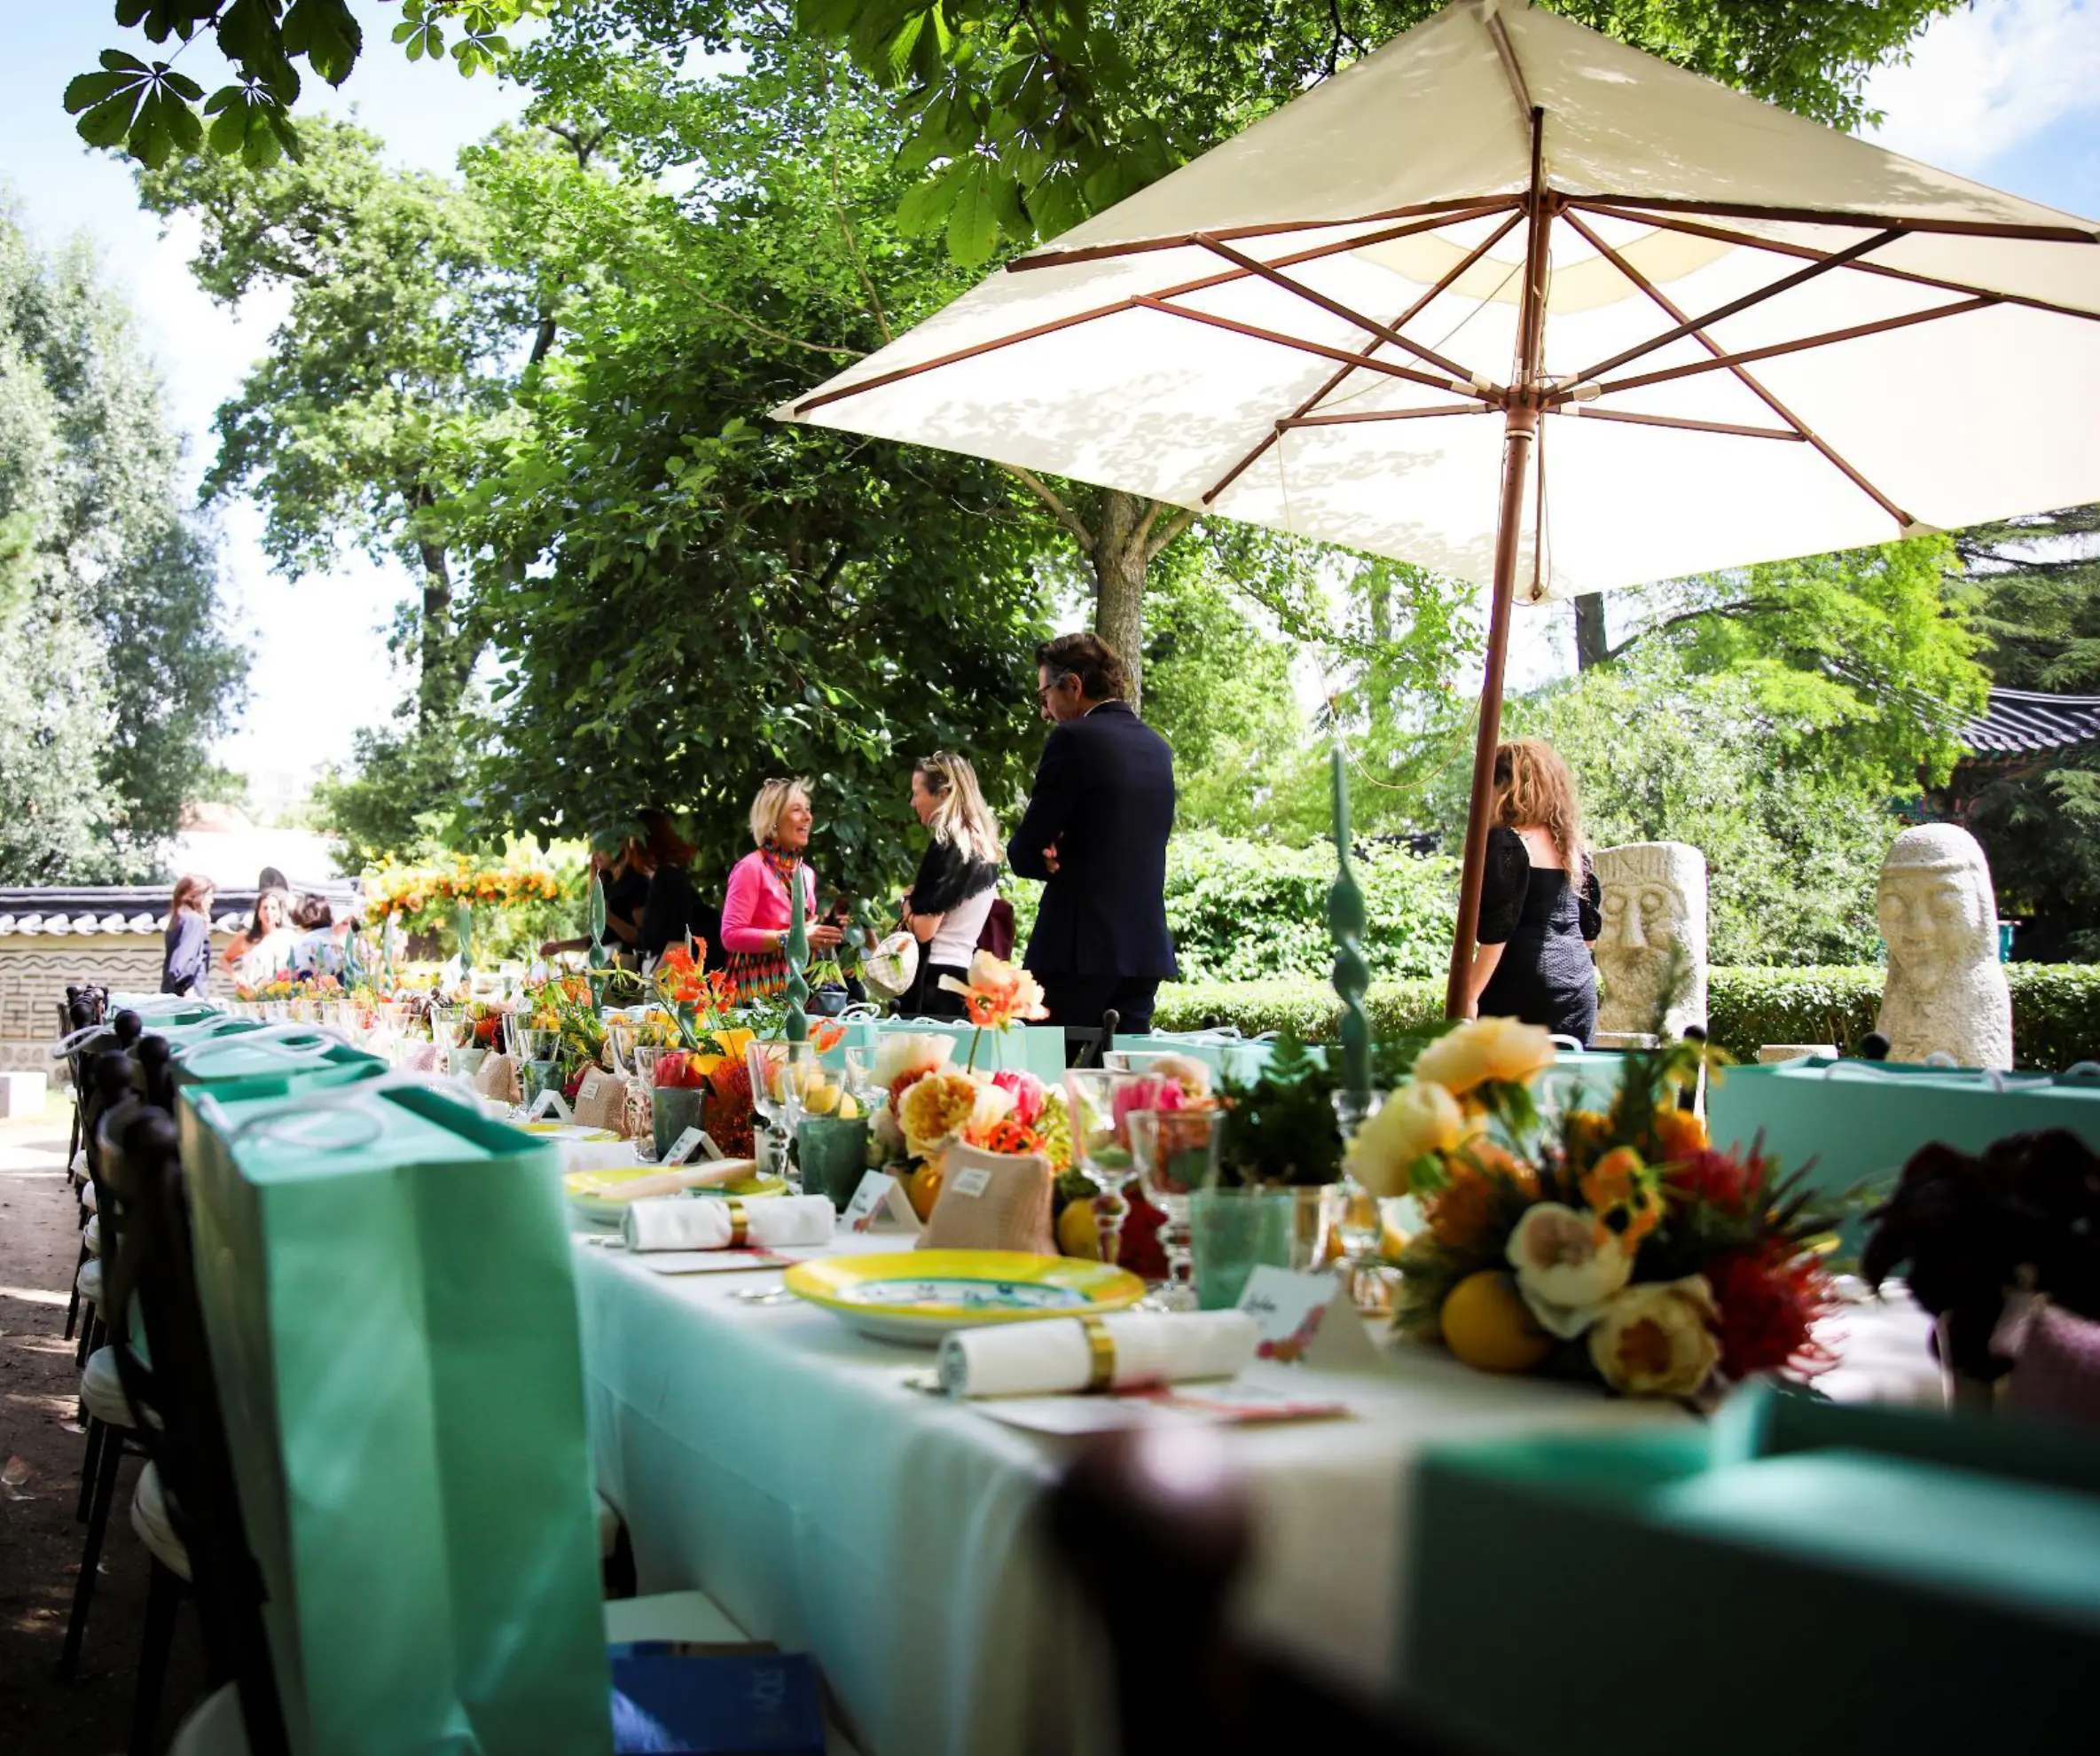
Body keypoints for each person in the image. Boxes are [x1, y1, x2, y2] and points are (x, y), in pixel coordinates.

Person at [1008, 632, 1177, 1040]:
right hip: (1144, 950)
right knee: (1121, 1085)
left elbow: (1026, 848)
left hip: (1078, 950)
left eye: (1045, 695)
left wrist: (1042, 856)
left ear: (1074, 686)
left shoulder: (1073, 740)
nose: (1045, 712)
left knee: (1050, 1083)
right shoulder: (1158, 749)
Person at [1460, 738, 1602, 1044]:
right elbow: (1589, 933)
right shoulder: (1574, 849)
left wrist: (1469, 995)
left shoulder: (1507, 843)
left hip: (1520, 988)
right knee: (1564, 1086)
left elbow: (1497, 932)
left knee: (1500, 1086)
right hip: (1578, 990)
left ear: (1504, 787)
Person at [897, 753, 1005, 1018]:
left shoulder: (948, 846)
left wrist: (906, 903)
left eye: (916, 793)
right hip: (963, 979)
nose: (912, 803)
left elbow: (924, 930)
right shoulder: (984, 848)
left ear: (944, 794)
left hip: (933, 982)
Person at [720, 779, 842, 1000]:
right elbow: (730, 936)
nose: (808, 817)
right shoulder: (751, 867)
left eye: (808, 809)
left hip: (798, 993)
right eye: (797, 810)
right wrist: (791, 938)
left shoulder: (806, 874)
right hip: (754, 994)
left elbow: (803, 935)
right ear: (773, 819)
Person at [541, 835, 654, 965]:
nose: (595, 855)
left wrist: (608, 918)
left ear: (619, 847)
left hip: (625, 967)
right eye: (593, 849)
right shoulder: (608, 884)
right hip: (606, 963)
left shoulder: (635, 882)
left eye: (600, 848)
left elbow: (640, 937)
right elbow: (600, 938)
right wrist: (559, 947)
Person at [637, 810, 709, 967]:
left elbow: (678, 940)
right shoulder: (661, 877)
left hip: (666, 968)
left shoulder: (667, 877)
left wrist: (655, 979)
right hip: (659, 964)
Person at [221, 887, 295, 980]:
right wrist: (236, 977)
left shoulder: (289, 938)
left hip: (280, 992)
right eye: (265, 908)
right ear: (258, 913)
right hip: (250, 991)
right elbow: (225, 959)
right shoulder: (246, 937)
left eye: (273, 908)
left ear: (280, 913)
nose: (268, 912)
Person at [161, 874, 215, 997]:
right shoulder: (193, 920)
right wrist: (188, 991)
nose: (212, 900)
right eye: (209, 895)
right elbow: (183, 963)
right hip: (189, 1000)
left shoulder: (178, 920)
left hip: (173, 997)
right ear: (196, 895)